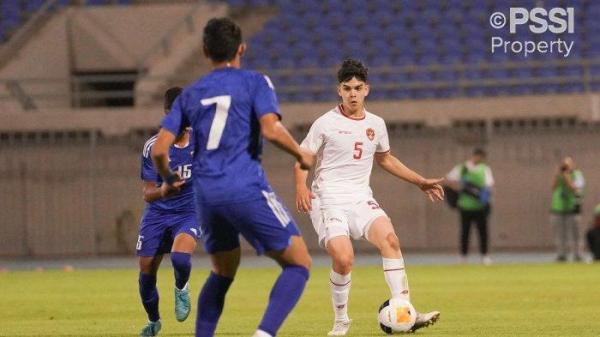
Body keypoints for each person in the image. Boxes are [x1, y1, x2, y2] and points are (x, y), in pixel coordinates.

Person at [150, 18, 315, 337]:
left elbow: (159, 150)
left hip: (206, 195)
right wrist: (301, 154)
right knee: (298, 264)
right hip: (244, 186)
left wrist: (168, 179)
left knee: (222, 272)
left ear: (205, 50)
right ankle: (263, 334)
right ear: (242, 48)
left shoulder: (190, 95)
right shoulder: (255, 82)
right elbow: (270, 129)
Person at [294, 59, 443, 336]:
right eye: (347, 88)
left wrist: (420, 181)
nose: (352, 93)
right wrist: (302, 187)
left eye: (358, 88)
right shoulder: (325, 123)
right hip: (329, 199)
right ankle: (341, 321)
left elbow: (385, 159)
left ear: (367, 90)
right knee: (344, 258)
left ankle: (405, 310)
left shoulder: (376, 124)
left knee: (390, 240)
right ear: (339, 90)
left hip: (361, 198)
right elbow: (302, 159)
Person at [137, 87, 198, 337]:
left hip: (189, 211)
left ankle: (181, 287)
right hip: (157, 214)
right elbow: (147, 193)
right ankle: (154, 321)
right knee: (146, 273)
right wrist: (164, 190)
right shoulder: (153, 147)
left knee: (180, 258)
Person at [446, 148, 494, 265]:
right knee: (465, 232)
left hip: (479, 206)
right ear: (475, 156)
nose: (480, 159)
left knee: (483, 232)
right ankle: (463, 256)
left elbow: (489, 185)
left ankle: (485, 255)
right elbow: (448, 180)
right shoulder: (462, 168)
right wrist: (460, 187)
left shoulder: (485, 169)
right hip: (465, 206)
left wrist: (482, 195)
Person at [550, 156, 585, 262]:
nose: (566, 167)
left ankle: (578, 254)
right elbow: (553, 187)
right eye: (564, 165)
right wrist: (558, 174)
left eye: (568, 165)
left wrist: (567, 176)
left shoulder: (577, 174)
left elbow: (574, 188)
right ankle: (562, 255)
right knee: (560, 233)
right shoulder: (559, 175)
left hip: (573, 207)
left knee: (576, 233)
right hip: (558, 207)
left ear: (572, 165)